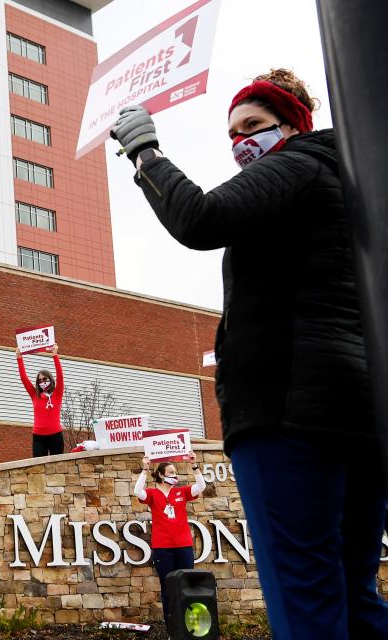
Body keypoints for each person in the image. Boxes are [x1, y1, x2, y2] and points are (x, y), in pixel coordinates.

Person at [112, 69, 388, 639]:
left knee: (304, 595)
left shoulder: (296, 163)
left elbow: (201, 218)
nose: (241, 143)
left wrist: (145, 152)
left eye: (254, 126)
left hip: (286, 413)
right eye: (232, 132)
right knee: (353, 593)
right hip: (356, 412)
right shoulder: (350, 184)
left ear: (292, 125)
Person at [133, 453, 205, 632]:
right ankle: (173, 629)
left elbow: (201, 486)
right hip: (163, 548)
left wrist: (194, 465)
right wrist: (144, 469)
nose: (176, 476)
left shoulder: (181, 491)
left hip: (183, 547)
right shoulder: (152, 494)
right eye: (171, 472)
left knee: (188, 586)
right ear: (161, 475)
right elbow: (137, 492)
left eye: (176, 473)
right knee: (168, 588)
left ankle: (191, 627)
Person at [15, 343, 64, 456]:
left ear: (50, 380)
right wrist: (19, 358)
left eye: (44, 379)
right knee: (38, 470)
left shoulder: (57, 393)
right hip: (38, 437)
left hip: (56, 436)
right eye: (40, 380)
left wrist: (55, 355)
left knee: (57, 469)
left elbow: (60, 376)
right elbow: (24, 378)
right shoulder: (34, 395)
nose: (42, 382)